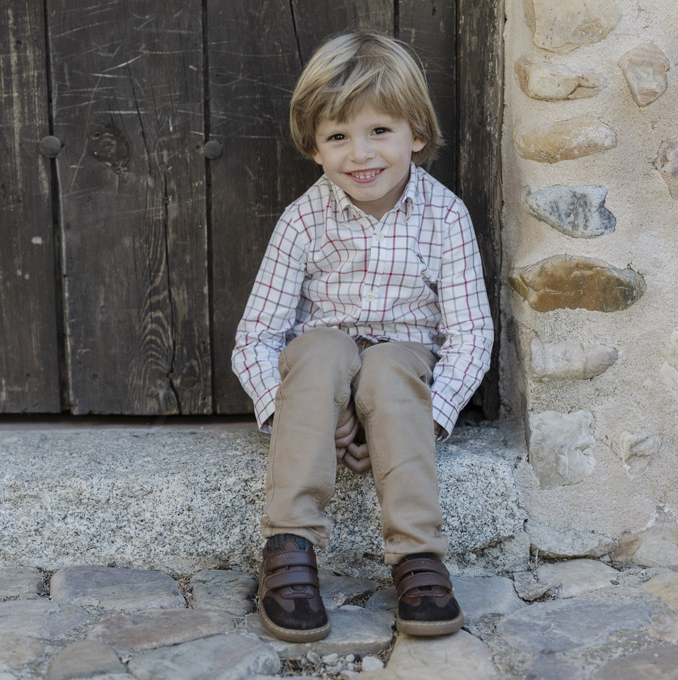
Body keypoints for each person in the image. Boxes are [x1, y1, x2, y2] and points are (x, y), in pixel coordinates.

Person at [231, 31, 493, 643]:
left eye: (380, 131)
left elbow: (471, 335)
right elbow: (257, 337)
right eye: (338, 137)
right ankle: (289, 547)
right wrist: (303, 412)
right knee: (318, 350)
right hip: (322, 376)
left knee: (389, 367)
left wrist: (428, 418)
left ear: (416, 135)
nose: (360, 154)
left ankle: (418, 559)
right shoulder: (303, 220)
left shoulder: (445, 216)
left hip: (400, 378)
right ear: (315, 149)